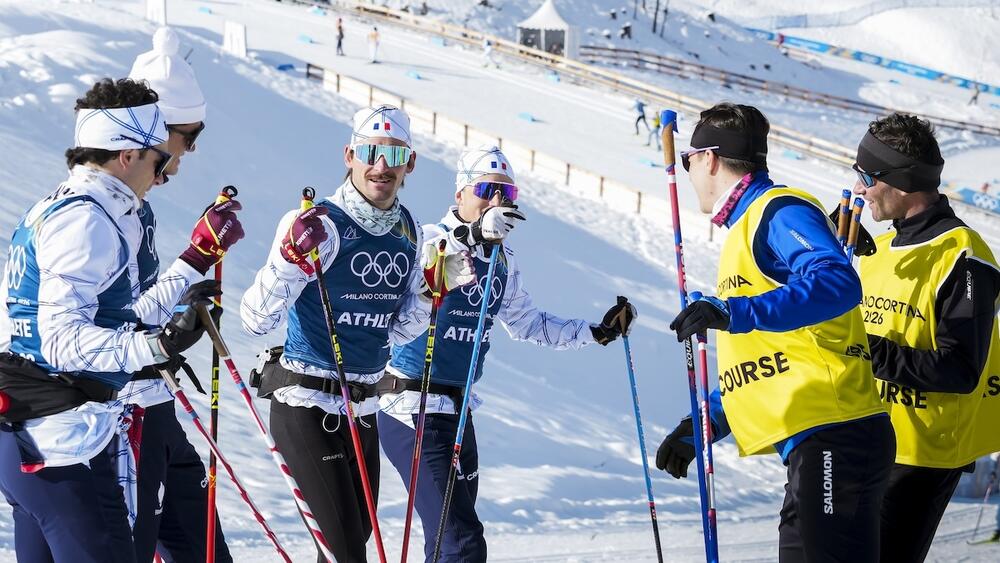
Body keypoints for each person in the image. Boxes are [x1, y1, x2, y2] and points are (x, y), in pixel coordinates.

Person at [0, 77, 241, 563]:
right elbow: (63, 342)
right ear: (126, 154)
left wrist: (195, 262)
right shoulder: (86, 219)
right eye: (158, 157)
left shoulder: (84, 207)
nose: (164, 169)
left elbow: (123, 313)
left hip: (47, 436)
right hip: (61, 441)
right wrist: (157, 347)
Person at [654, 103, 893, 562]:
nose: (688, 172)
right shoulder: (745, 230)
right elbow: (769, 356)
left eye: (688, 159)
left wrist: (734, 313)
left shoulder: (778, 211)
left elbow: (838, 282)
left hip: (834, 433)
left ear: (709, 159)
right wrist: (703, 425)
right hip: (811, 441)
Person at [377, 145, 637, 563]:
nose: (497, 201)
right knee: (463, 543)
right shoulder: (426, 238)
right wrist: (475, 236)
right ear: (460, 193)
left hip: (459, 411)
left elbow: (528, 324)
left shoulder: (502, 259)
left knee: (445, 543)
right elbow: (417, 284)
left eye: (507, 193)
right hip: (411, 405)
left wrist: (597, 332)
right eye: (485, 189)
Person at [240, 105, 474, 563]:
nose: (380, 166)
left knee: (359, 534)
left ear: (410, 163)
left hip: (363, 405)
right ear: (349, 155)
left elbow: (400, 330)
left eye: (393, 155)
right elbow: (256, 320)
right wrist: (289, 260)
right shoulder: (318, 224)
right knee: (346, 549)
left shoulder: (409, 233)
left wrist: (430, 292)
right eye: (369, 152)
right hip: (307, 404)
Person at [852, 113, 1000, 563]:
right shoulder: (877, 253)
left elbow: (959, 369)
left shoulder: (964, 256)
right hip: (868, 439)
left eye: (866, 176)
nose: (858, 188)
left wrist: (866, 351)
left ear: (900, 181)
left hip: (921, 456)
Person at [126, 26, 234, 563]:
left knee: (206, 551)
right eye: (186, 138)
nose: (188, 154)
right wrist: (192, 255)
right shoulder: (98, 211)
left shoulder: (136, 207)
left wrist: (184, 302)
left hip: (155, 404)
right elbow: (113, 320)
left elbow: (140, 304)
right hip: (120, 417)